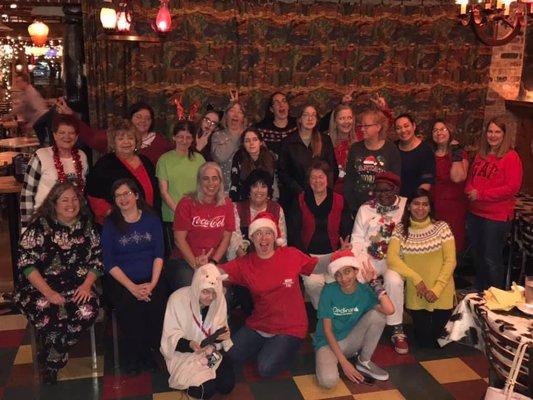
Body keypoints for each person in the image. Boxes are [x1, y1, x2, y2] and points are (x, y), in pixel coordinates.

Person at [14, 182, 102, 385]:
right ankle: (55, 360)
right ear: (53, 203)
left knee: (87, 310)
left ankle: (53, 353)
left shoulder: (87, 227)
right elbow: (27, 265)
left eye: (74, 199)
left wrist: (87, 285)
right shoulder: (40, 227)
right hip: (40, 288)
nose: (70, 204)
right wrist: (48, 292)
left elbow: (97, 260)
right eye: (64, 200)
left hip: (78, 286)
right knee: (51, 316)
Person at [220, 212, 319, 377]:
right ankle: (270, 346)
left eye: (268, 233)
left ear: (275, 236)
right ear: (252, 238)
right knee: (231, 355)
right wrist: (205, 267)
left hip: (290, 327)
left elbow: (317, 266)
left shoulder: (291, 255)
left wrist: (339, 256)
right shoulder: (245, 263)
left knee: (265, 369)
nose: (263, 238)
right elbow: (219, 272)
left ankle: (287, 348)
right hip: (260, 324)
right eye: (258, 233)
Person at [102, 179, 166, 374]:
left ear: (136, 195)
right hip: (121, 280)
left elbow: (159, 254)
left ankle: (154, 350)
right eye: (118, 195)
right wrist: (132, 287)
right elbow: (109, 262)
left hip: (151, 277)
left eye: (127, 193)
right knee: (130, 306)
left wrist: (152, 284)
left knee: (157, 304)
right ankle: (136, 356)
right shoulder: (110, 223)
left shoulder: (152, 219)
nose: (123, 198)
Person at [314, 249, 394, 388]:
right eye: (338, 274)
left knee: (378, 315)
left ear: (356, 271)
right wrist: (344, 363)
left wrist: (374, 282)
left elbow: (389, 310)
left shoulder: (365, 291)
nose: (343, 279)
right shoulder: (329, 291)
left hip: (351, 341)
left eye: (347, 271)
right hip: (327, 343)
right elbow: (327, 330)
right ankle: (333, 360)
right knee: (328, 382)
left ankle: (364, 361)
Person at [387, 189, 456, 348]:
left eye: (425, 204)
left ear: (430, 208)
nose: (420, 208)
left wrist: (436, 289)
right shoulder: (400, 230)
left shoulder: (442, 227)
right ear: (409, 206)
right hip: (417, 294)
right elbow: (392, 259)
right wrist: (417, 279)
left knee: (440, 344)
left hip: (441, 293)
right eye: (416, 203)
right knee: (423, 344)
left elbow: (450, 261)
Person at [350, 172, 408, 354]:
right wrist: (360, 262)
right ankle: (356, 322)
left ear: (396, 189)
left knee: (394, 281)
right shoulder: (365, 208)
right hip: (369, 256)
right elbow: (357, 239)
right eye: (378, 190)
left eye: (387, 190)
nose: (382, 195)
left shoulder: (406, 206)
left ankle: (396, 328)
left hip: (395, 258)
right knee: (357, 276)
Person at [465, 116, 523, 290]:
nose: (493, 135)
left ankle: (496, 296)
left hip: (496, 217)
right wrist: (468, 190)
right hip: (475, 213)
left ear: (504, 135)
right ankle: (481, 292)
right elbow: (471, 178)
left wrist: (481, 194)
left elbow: (512, 188)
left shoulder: (511, 157)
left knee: (491, 259)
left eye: (497, 132)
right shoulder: (482, 155)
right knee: (478, 255)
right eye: (490, 131)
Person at [160, 264, 235, 399]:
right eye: (205, 291)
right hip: (183, 352)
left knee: (227, 386)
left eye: (214, 292)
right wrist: (189, 344)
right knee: (205, 390)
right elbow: (169, 337)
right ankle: (198, 381)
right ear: (196, 287)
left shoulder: (218, 300)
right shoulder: (177, 299)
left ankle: (205, 375)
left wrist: (222, 336)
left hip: (210, 350)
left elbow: (219, 329)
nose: (210, 297)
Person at [289, 161, 349, 309]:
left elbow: (347, 228)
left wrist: (343, 249)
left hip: (334, 255)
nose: (317, 181)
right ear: (308, 181)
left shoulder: (340, 200)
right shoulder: (300, 200)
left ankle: (331, 315)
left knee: (335, 285)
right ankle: (321, 312)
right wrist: (303, 257)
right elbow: (294, 232)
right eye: (313, 177)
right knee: (314, 284)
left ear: (327, 178)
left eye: (320, 176)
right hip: (308, 257)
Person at [166, 162, 235, 291]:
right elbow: (179, 240)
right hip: (185, 260)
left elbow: (227, 237)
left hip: (215, 259)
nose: (211, 183)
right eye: (206, 178)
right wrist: (197, 266)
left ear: (220, 181)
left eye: (215, 178)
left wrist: (213, 263)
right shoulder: (186, 203)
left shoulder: (226, 203)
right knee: (193, 290)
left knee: (224, 293)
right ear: (199, 181)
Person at [20, 114, 89, 231]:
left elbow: (82, 190)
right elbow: (27, 194)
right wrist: (26, 227)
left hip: (74, 221)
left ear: (77, 136)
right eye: (62, 133)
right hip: (44, 222)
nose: (67, 136)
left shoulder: (82, 156)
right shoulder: (41, 155)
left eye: (71, 133)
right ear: (54, 135)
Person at [86, 119, 160, 225]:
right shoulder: (105, 164)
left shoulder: (146, 161)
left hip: (148, 222)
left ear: (136, 141)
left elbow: (156, 193)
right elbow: (93, 196)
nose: (126, 142)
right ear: (113, 142)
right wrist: (114, 215)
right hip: (119, 224)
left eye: (130, 138)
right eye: (121, 139)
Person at [56, 100, 173, 166]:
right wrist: (71, 115)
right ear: (130, 118)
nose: (143, 121)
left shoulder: (159, 141)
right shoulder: (115, 137)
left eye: (148, 118)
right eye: (138, 117)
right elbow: (91, 137)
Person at [157, 121, 205, 253]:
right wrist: (179, 211)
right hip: (172, 217)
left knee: (197, 254)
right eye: (180, 137)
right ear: (174, 137)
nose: (184, 141)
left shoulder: (199, 159)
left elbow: (204, 188)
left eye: (188, 137)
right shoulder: (164, 160)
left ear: (193, 139)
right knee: (176, 259)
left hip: (196, 217)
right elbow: (163, 191)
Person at [278, 105, 338, 211]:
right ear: (300, 119)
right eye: (306, 115)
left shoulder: (325, 140)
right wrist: (300, 192)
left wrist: (323, 191)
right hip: (295, 198)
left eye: (313, 115)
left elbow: (332, 169)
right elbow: (283, 172)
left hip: (321, 195)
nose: (310, 119)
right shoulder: (288, 142)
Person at [344, 108, 401, 220]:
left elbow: (396, 182)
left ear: (378, 127)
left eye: (366, 126)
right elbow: (349, 180)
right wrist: (351, 207)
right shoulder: (355, 149)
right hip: (358, 208)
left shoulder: (391, 149)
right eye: (361, 126)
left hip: (384, 208)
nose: (362, 129)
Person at [228, 169, 286, 260]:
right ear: (249, 189)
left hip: (271, 259)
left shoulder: (277, 209)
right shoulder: (237, 208)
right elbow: (234, 238)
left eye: (263, 186)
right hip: (244, 259)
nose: (259, 190)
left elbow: (282, 240)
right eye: (255, 186)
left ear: (268, 190)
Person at [430, 120, 469, 253]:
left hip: (454, 208)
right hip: (434, 207)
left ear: (450, 132)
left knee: (451, 246)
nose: (439, 132)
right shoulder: (430, 154)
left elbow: (457, 177)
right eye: (435, 130)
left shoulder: (458, 153)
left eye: (443, 129)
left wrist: (455, 153)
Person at [229, 129, 277, 202]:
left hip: (266, 198)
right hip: (243, 197)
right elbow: (235, 183)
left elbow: (271, 184)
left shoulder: (270, 157)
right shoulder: (239, 156)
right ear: (243, 144)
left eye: (255, 140)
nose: (251, 143)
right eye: (247, 141)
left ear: (260, 142)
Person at [394, 114, 435, 198]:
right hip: (394, 200)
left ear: (414, 126)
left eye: (406, 126)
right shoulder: (393, 148)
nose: (403, 130)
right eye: (398, 128)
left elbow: (427, 181)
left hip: (416, 201)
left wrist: (416, 203)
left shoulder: (425, 150)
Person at [211, 101, 248, 191]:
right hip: (224, 190)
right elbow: (220, 157)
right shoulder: (218, 135)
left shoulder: (250, 136)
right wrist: (236, 134)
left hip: (247, 190)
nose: (236, 115)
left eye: (240, 112)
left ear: (243, 118)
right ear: (226, 115)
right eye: (232, 110)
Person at [12, 72, 54, 145]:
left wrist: (31, 124)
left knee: (39, 145)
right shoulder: (25, 93)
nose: (16, 84)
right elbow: (20, 108)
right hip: (35, 125)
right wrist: (9, 115)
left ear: (24, 81)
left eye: (18, 81)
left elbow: (41, 110)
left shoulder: (31, 93)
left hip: (40, 125)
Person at [253, 92, 298, 157]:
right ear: (271, 109)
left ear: (288, 106)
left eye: (284, 101)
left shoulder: (298, 125)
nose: (281, 105)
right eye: (277, 102)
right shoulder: (261, 129)